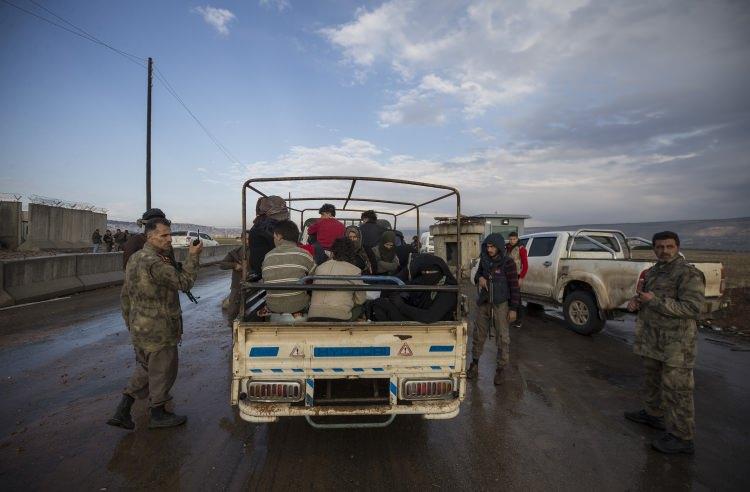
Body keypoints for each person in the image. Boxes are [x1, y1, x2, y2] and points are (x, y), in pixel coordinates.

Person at [107, 217, 203, 430]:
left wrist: (130, 323)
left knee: (144, 368)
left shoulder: (134, 259)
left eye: (170, 234)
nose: (169, 239)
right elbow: (184, 282)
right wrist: (193, 257)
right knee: (163, 370)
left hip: (139, 328)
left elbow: (125, 296)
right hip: (159, 329)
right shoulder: (154, 262)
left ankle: (123, 409)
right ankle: (158, 413)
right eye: (164, 235)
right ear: (150, 237)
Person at [624, 231, 704, 455]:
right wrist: (636, 301)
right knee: (652, 381)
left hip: (676, 345)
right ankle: (653, 415)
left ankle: (682, 437)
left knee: (677, 390)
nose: (664, 251)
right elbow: (646, 297)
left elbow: (693, 308)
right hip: (653, 339)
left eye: (669, 246)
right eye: (659, 247)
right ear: (654, 249)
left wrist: (655, 301)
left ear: (677, 247)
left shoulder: (688, 274)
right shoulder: (655, 272)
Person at [467, 233, 520, 385]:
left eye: (492, 247)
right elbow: (476, 276)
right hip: (484, 303)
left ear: (498, 247)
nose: (489, 249)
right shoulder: (484, 261)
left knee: (503, 338)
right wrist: (480, 279)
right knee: (478, 335)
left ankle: (501, 370)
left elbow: (514, 287)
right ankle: (474, 365)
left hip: (501, 304)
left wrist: (513, 308)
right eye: (487, 246)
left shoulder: (508, 263)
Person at [366, 253, 457, 323]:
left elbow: (429, 317)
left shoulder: (448, 291)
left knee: (385, 308)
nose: (426, 274)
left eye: (429, 272)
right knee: (380, 303)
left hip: (427, 324)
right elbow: (410, 288)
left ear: (440, 271)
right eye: (424, 272)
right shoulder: (428, 282)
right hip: (416, 318)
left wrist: (401, 306)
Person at [261, 220, 315, 317]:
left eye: (274, 236)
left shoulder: (268, 256)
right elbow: (315, 276)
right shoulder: (304, 254)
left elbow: (265, 279)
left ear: (279, 236)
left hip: (273, 306)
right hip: (299, 306)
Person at [307, 237, 367, 321]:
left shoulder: (320, 267)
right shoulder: (354, 270)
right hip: (339, 317)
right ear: (352, 253)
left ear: (333, 252)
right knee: (361, 307)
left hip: (313, 315)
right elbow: (360, 300)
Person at [249, 196, 289, 278]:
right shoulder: (266, 226)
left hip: (260, 267)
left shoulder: (259, 224)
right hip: (267, 268)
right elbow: (281, 245)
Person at [219, 233, 250, 327]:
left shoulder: (256, 251)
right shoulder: (235, 252)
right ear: (241, 239)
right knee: (232, 312)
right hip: (237, 286)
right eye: (246, 239)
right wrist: (235, 265)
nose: (248, 241)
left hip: (253, 285)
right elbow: (222, 264)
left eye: (250, 239)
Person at [505, 231, 528, 327]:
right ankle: (510, 317)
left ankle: (519, 320)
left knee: (517, 298)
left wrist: (521, 278)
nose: (512, 241)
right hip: (507, 275)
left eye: (514, 239)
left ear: (517, 239)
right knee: (510, 297)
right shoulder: (506, 248)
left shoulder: (521, 249)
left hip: (516, 275)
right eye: (510, 239)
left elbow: (525, 265)